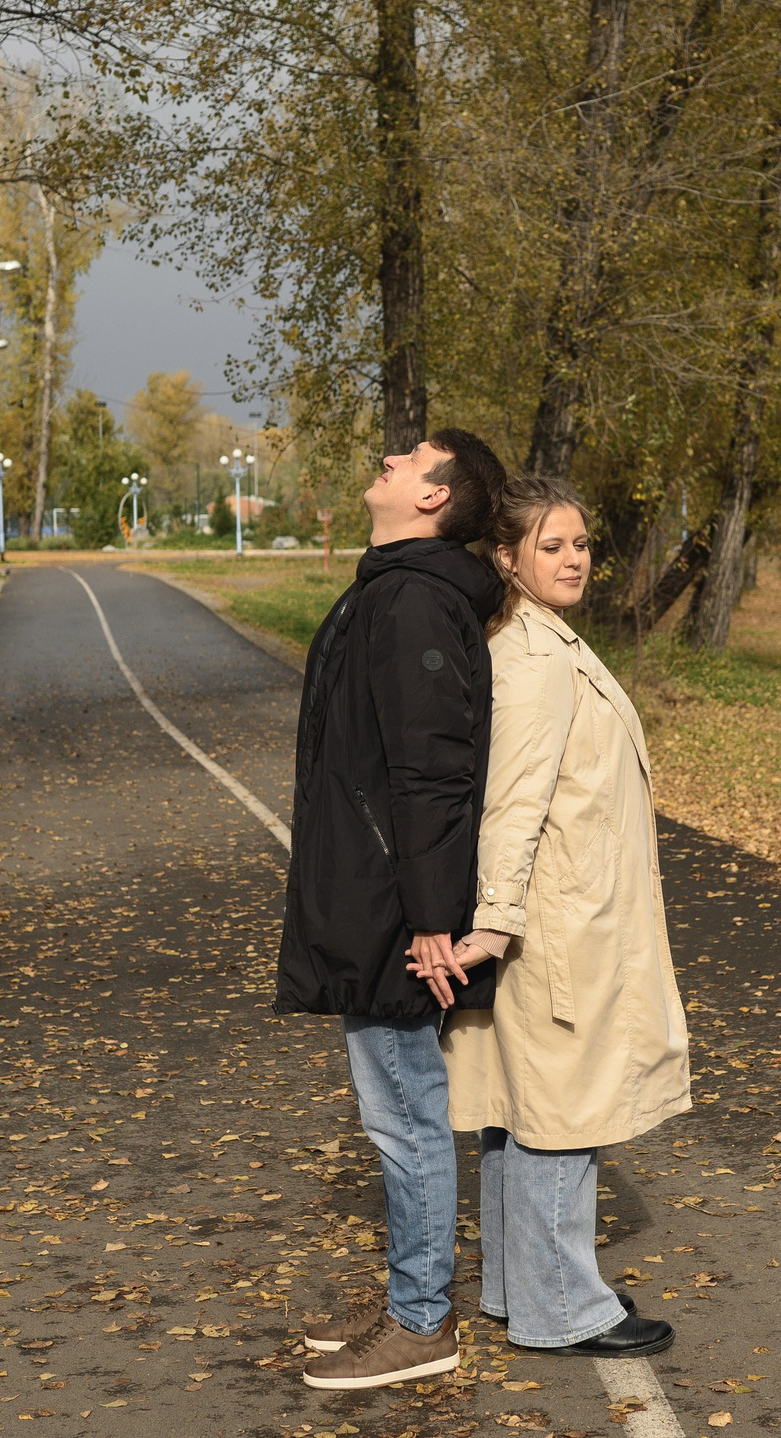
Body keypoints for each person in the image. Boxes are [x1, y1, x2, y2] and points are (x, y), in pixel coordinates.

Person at [426, 476, 689, 1357]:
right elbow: (513, 801)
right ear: (506, 557)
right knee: (560, 1119)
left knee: (523, 1110)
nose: (573, 558)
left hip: (564, 917)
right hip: (553, 928)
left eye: (580, 543)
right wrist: (497, 921)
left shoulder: (543, 638)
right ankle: (562, 1308)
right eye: (552, 546)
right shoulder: (534, 659)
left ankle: (519, 1289)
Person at [278, 428, 509, 1391]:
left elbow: (432, 770)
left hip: (392, 904)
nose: (388, 457)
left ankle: (422, 1321)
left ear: (434, 498)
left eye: (410, 457)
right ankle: (408, 1301)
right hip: (373, 888)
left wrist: (427, 915)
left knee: (406, 1112)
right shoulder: (395, 583)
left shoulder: (413, 596)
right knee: (393, 1107)